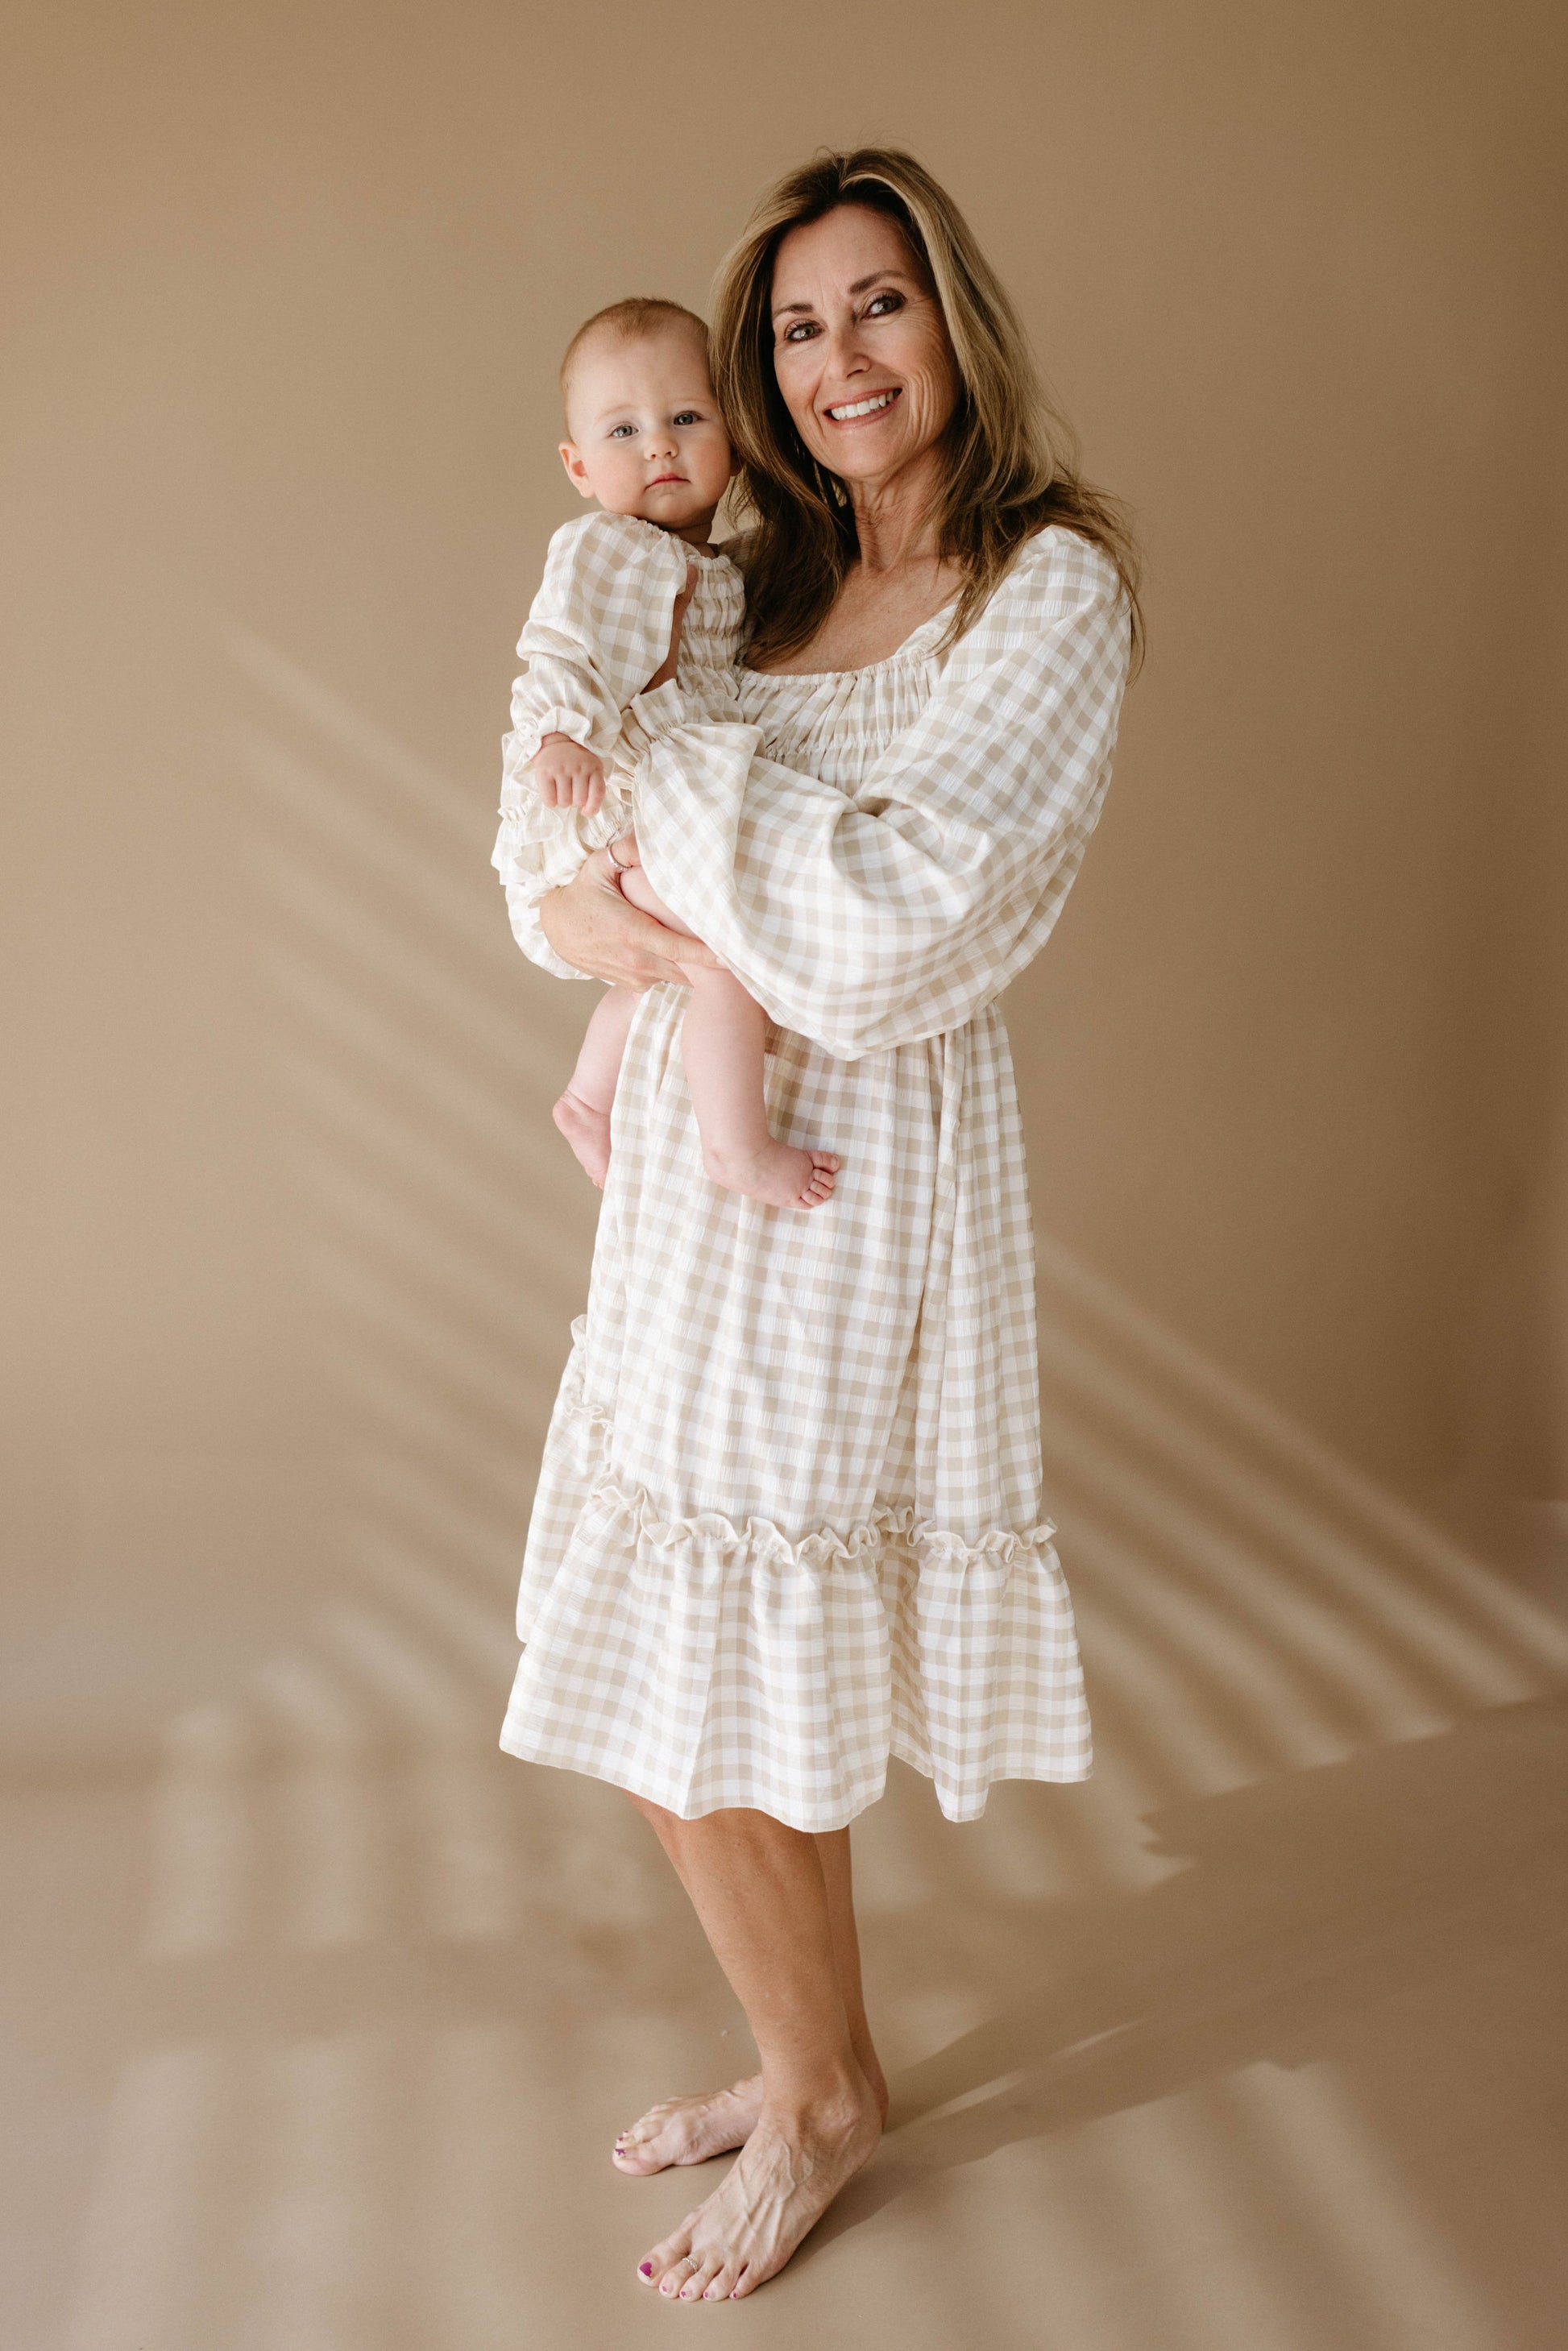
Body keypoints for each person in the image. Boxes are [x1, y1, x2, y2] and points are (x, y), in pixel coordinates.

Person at [492, 147, 1140, 2301]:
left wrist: (666, 834)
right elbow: (541, 859)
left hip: (856, 1185)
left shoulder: (1045, 589)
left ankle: (820, 2088)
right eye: (793, 324)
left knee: (742, 1666)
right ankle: (808, 2061)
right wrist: (615, 890)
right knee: (672, 1647)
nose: (838, 357)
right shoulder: (734, 570)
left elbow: (881, 942)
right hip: (688, 1171)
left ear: (951, 318)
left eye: (879, 305)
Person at [496, 296, 839, 1209]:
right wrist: (561, 737)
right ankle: (737, 1149)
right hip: (608, 801)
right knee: (722, 951)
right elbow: (559, 648)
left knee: (672, 956)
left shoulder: (720, 564)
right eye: (623, 429)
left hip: (659, 806)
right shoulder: (603, 547)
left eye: (686, 418)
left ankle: (584, 1096)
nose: (659, 446)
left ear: (730, 431)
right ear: (576, 466)